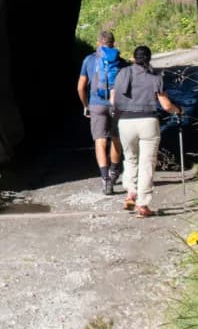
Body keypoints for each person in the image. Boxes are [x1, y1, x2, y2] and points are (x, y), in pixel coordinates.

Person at [111, 44, 182, 218]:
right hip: (148, 121)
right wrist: (179, 110)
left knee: (130, 158)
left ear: (133, 58)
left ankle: (130, 193)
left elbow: (113, 100)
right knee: (147, 163)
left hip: (125, 121)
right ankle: (142, 204)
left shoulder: (122, 74)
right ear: (149, 59)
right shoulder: (155, 78)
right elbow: (166, 106)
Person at [77, 29, 124, 194]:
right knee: (116, 139)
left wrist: (86, 105)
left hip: (96, 104)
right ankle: (114, 171)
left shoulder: (89, 60)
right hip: (116, 105)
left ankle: (105, 180)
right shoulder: (120, 61)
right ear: (113, 43)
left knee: (100, 141)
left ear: (98, 43)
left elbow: (81, 86)